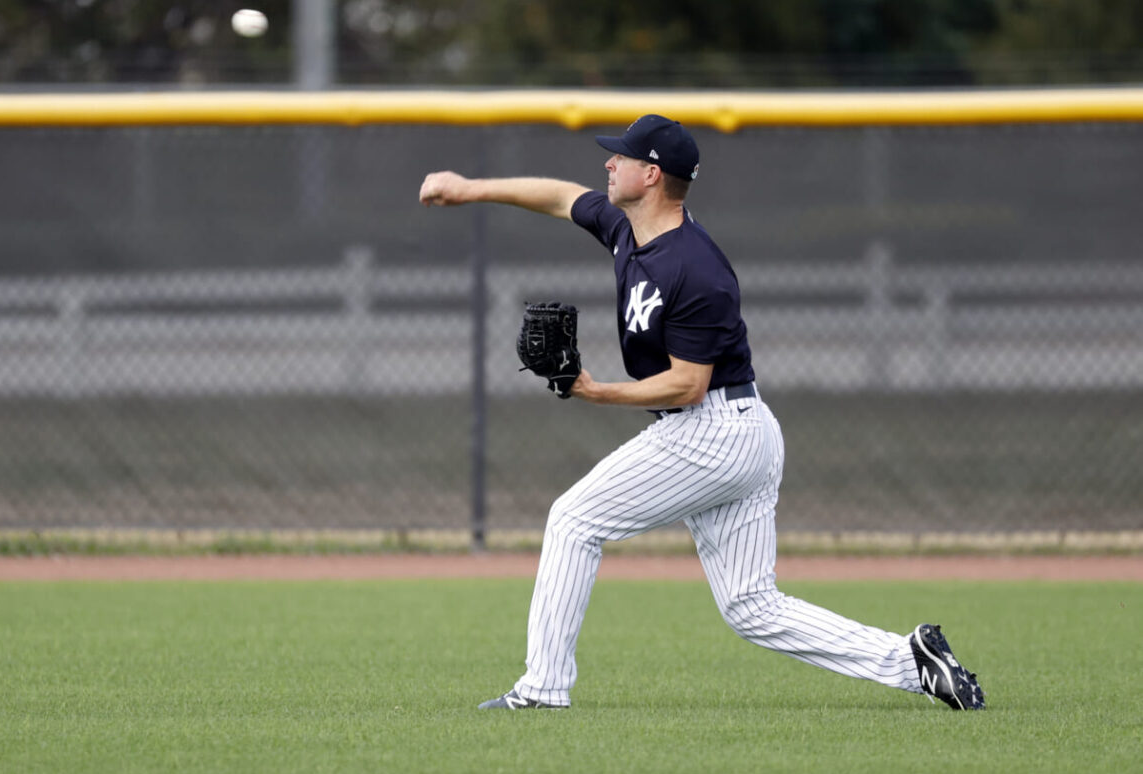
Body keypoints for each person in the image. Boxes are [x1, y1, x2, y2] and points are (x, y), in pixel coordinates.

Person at [418, 114, 985, 712]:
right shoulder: (623, 227)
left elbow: (688, 385)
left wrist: (595, 391)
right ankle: (913, 662)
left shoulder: (696, 268)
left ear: (652, 175)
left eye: (622, 158)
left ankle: (541, 691)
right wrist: (469, 188)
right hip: (736, 430)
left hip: (713, 431)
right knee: (751, 607)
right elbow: (560, 197)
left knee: (573, 521)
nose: (609, 164)